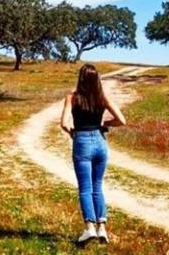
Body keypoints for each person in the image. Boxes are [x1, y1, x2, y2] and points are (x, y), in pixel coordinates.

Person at [60, 64, 126, 244]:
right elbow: (122, 120)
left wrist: (73, 133)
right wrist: (107, 124)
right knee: (97, 186)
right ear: (97, 79)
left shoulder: (72, 98)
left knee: (85, 188)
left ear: (80, 78)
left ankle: (89, 228)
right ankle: (102, 228)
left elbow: (64, 123)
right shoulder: (102, 98)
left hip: (82, 142)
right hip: (100, 141)